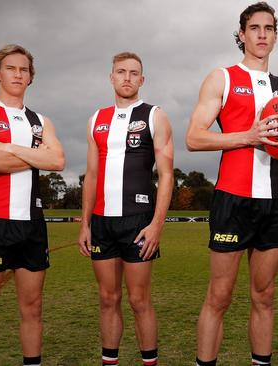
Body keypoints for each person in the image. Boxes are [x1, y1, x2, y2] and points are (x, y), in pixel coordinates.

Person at [185, 2, 278, 365]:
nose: (262, 34)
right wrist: (248, 136)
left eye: (269, 28)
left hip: (273, 200)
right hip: (233, 198)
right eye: (254, 28)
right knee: (219, 297)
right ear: (242, 34)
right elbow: (194, 137)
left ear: (276, 35)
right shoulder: (222, 77)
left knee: (264, 296)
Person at [0, 44, 65, 366]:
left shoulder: (40, 120)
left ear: (30, 77)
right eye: (11, 68)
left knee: (32, 308)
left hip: (32, 225)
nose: (18, 74)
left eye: (24, 69)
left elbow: (58, 160)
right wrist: (35, 155)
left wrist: (8, 147)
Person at [78, 52, 174, 366]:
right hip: (102, 223)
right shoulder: (96, 119)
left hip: (138, 223)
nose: (127, 78)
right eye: (121, 72)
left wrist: (157, 225)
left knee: (138, 300)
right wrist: (85, 224)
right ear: (112, 77)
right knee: (108, 299)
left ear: (142, 80)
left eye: (134, 73)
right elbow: (90, 176)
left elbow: (167, 173)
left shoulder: (154, 115)